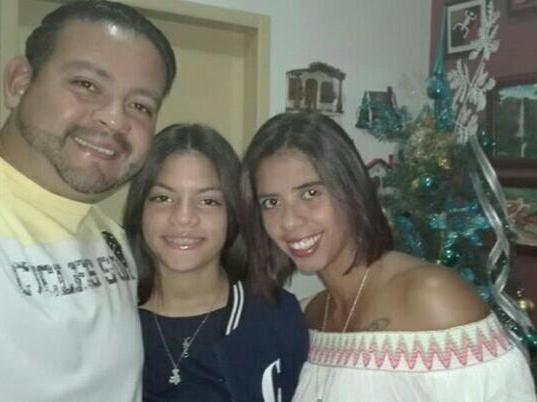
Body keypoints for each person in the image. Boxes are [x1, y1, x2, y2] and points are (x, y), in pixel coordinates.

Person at [239, 111, 537, 402]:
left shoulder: (431, 297)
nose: (289, 221)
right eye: (271, 202)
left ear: (350, 188)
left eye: (310, 193)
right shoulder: (311, 316)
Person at [0, 1, 176, 401]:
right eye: (87, 85)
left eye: (140, 106)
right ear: (19, 82)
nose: (114, 119)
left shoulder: (111, 238)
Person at [123, 123, 308, 402]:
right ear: (140, 209)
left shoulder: (274, 317)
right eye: (163, 198)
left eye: (208, 201)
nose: (183, 217)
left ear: (233, 214)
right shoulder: (110, 318)